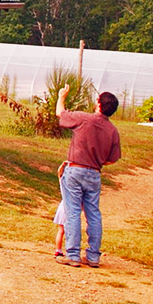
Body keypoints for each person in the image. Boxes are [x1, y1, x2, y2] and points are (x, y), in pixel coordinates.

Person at [55, 85, 122, 268]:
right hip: (95, 173)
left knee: (73, 212)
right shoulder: (113, 131)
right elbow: (112, 159)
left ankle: (73, 254)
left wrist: (62, 96)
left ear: (99, 104)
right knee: (93, 214)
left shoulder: (84, 119)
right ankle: (93, 256)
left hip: (75, 170)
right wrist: (97, 161)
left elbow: (60, 113)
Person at [53, 160, 69, 257]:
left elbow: (59, 172)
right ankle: (69, 250)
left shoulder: (62, 181)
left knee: (61, 230)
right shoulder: (72, 185)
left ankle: (58, 249)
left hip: (62, 206)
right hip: (68, 208)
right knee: (67, 231)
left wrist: (63, 165)